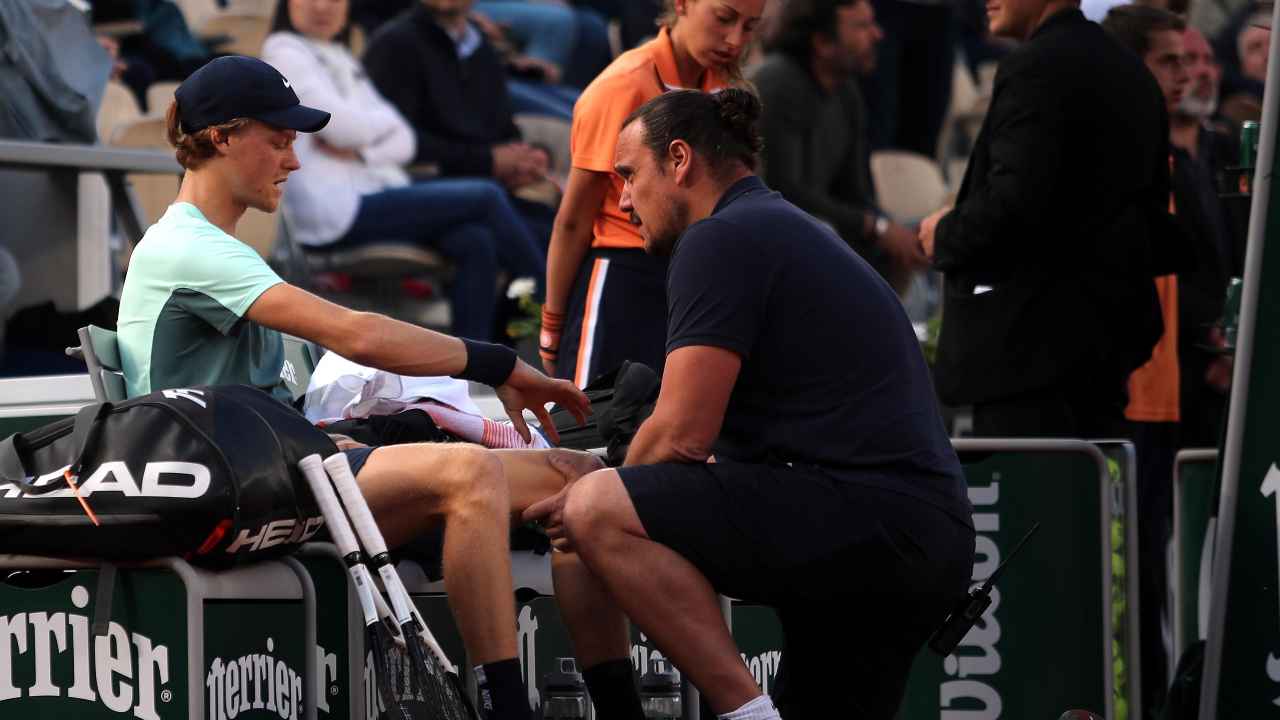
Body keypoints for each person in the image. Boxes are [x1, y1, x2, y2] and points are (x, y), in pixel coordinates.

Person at [116, 55, 598, 720]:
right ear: (222, 137)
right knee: (470, 475)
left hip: (287, 470)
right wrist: (503, 365)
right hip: (235, 494)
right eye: (279, 141)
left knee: (577, 479)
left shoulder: (218, 248)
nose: (294, 161)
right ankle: (505, 705)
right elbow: (359, 334)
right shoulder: (185, 247)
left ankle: (622, 701)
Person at [525, 89, 975, 719]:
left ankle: (747, 716)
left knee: (595, 510)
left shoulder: (722, 238)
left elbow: (682, 435)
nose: (622, 200)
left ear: (678, 160)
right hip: (915, 537)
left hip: (875, 525)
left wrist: (594, 485)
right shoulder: (776, 226)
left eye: (629, 175)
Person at [918, 0, 1174, 438]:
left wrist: (943, 231)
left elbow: (1013, 208)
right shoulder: (1131, 71)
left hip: (1030, 361)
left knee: (1034, 504)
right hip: (1105, 353)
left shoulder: (1037, 66)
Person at [261, 0, 547, 342]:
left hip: (373, 192)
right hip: (335, 210)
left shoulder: (336, 53)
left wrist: (359, 147)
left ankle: (477, 368)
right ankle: (547, 294)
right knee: (485, 196)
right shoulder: (283, 52)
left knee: (476, 240)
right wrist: (363, 134)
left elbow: (403, 138)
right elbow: (341, 128)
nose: (323, 6)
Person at [539, 0, 766, 388]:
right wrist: (552, 325)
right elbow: (573, 219)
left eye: (750, 27)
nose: (734, 40)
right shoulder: (621, 85)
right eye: (724, 18)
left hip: (696, 275)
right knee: (591, 433)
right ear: (681, 5)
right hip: (623, 275)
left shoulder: (726, 89)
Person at [752, 0, 928, 291]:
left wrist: (893, 233)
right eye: (861, 26)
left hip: (821, 232)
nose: (877, 34)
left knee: (906, 245)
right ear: (822, 42)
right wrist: (874, 227)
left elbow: (853, 192)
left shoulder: (846, 92)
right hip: (773, 237)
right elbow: (784, 192)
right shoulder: (777, 83)